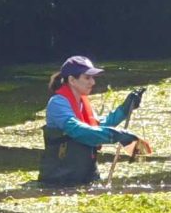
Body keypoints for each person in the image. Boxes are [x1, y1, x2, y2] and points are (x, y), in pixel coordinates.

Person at [41, 57, 150, 187]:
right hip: (60, 180)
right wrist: (115, 135)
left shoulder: (83, 103)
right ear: (72, 80)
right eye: (87, 78)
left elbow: (97, 126)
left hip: (86, 177)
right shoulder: (57, 103)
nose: (92, 82)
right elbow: (79, 131)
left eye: (93, 78)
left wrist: (125, 109)